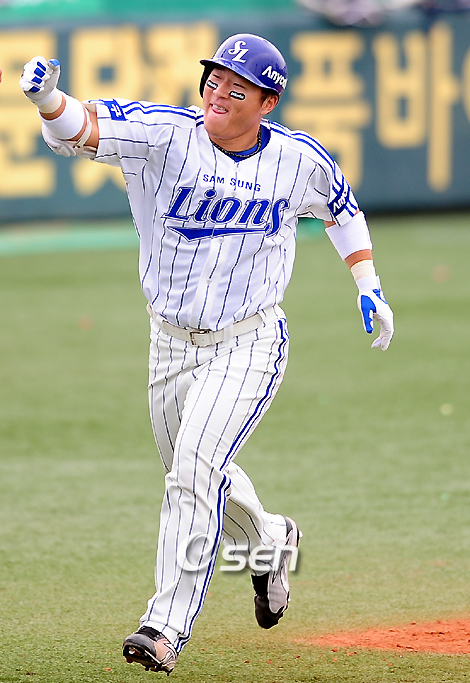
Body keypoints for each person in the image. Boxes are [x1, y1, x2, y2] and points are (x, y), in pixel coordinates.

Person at [20, 34, 393, 676]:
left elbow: (342, 208)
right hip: (169, 343)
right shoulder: (165, 135)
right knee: (198, 472)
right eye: (215, 79)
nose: (219, 93)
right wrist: (50, 100)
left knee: (194, 469)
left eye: (237, 88)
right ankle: (271, 540)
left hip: (249, 341)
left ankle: (164, 628)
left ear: (267, 103)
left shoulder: (297, 158)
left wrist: (368, 284)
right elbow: (79, 130)